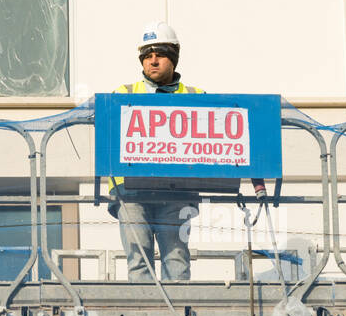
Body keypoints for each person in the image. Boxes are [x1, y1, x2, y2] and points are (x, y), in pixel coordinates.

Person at [108, 21, 265, 283]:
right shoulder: (122, 93)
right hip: (131, 191)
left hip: (176, 191)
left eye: (159, 54)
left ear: (174, 58)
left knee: (176, 258)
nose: (153, 61)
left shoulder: (196, 95)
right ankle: (144, 315)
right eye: (147, 56)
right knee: (139, 259)